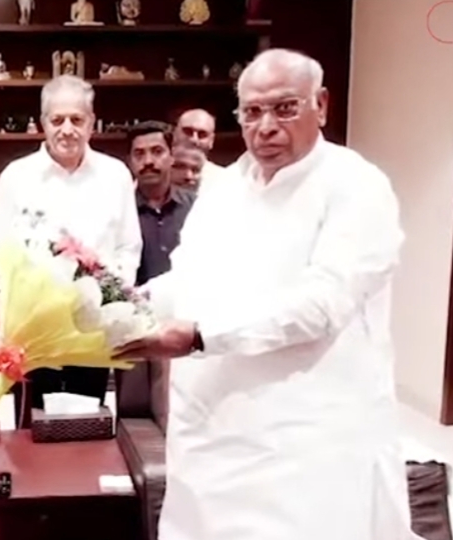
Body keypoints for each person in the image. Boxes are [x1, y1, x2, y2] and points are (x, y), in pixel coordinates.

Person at [118, 49, 421, 540]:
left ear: (321, 105)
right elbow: (189, 278)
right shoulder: (227, 188)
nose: (266, 127)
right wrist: (124, 306)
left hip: (305, 438)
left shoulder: (355, 185)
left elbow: (322, 305)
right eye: (252, 112)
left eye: (285, 108)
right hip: (211, 433)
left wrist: (199, 337)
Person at [0, 74, 141, 409]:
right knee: (34, 423)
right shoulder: (16, 176)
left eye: (77, 119)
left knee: (86, 420)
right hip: (34, 328)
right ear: (43, 123)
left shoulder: (115, 174)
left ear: (92, 123)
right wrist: (26, 301)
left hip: (93, 329)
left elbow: (129, 248)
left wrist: (109, 297)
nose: (67, 129)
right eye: (57, 120)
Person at [126, 120, 195, 285]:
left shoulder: (195, 207)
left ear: (172, 156)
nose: (148, 161)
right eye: (139, 154)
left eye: (157, 151)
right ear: (129, 161)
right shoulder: (122, 211)